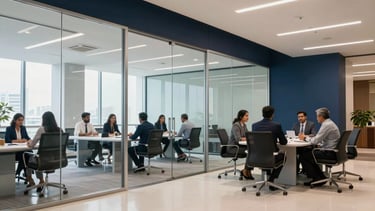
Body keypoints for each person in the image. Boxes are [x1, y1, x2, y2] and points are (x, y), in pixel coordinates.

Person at [298, 107, 340, 186]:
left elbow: (315, 140)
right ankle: (320, 177)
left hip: (329, 153)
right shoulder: (329, 123)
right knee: (307, 154)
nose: (317, 118)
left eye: (317, 116)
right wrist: (316, 142)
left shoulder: (326, 125)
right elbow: (321, 139)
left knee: (303, 156)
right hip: (332, 151)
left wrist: (304, 138)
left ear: (321, 116)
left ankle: (317, 178)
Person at [252, 106, 287, 191]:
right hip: (271, 157)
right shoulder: (276, 125)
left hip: (256, 157)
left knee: (266, 156)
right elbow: (284, 142)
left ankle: (267, 177)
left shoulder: (254, 125)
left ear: (262, 114)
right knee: (284, 156)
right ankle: (271, 180)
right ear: (272, 114)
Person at [26, 111, 62, 191]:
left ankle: (36, 180)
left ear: (43, 119)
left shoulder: (42, 129)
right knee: (37, 157)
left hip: (43, 160)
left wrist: (29, 143)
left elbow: (32, 145)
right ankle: (40, 181)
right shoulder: (60, 130)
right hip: (57, 159)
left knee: (29, 158)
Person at [5, 113, 32, 183]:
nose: (21, 122)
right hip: (14, 152)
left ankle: (17, 172)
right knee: (25, 155)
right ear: (15, 120)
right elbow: (7, 140)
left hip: (22, 150)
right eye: (19, 120)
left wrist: (30, 140)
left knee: (29, 153)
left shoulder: (23, 128)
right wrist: (19, 141)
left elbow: (27, 137)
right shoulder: (9, 128)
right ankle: (26, 175)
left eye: (22, 120)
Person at [229, 110, 254, 180]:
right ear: (241, 117)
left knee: (252, 151)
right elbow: (238, 139)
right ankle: (246, 170)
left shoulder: (244, 125)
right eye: (246, 116)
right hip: (234, 148)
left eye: (248, 116)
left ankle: (247, 170)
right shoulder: (236, 125)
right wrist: (247, 138)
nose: (248, 117)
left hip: (240, 146)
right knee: (251, 152)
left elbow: (248, 135)